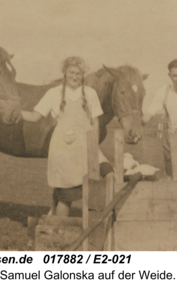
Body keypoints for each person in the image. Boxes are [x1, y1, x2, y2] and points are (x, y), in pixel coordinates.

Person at [22, 57, 111, 216]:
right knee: (66, 195)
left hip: (85, 144)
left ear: (83, 75)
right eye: (71, 72)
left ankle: (95, 224)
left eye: (78, 73)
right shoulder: (53, 93)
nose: (75, 76)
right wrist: (15, 112)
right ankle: (60, 231)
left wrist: (93, 146)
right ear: (65, 72)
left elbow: (95, 122)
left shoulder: (90, 93)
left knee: (107, 174)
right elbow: (35, 116)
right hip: (63, 147)